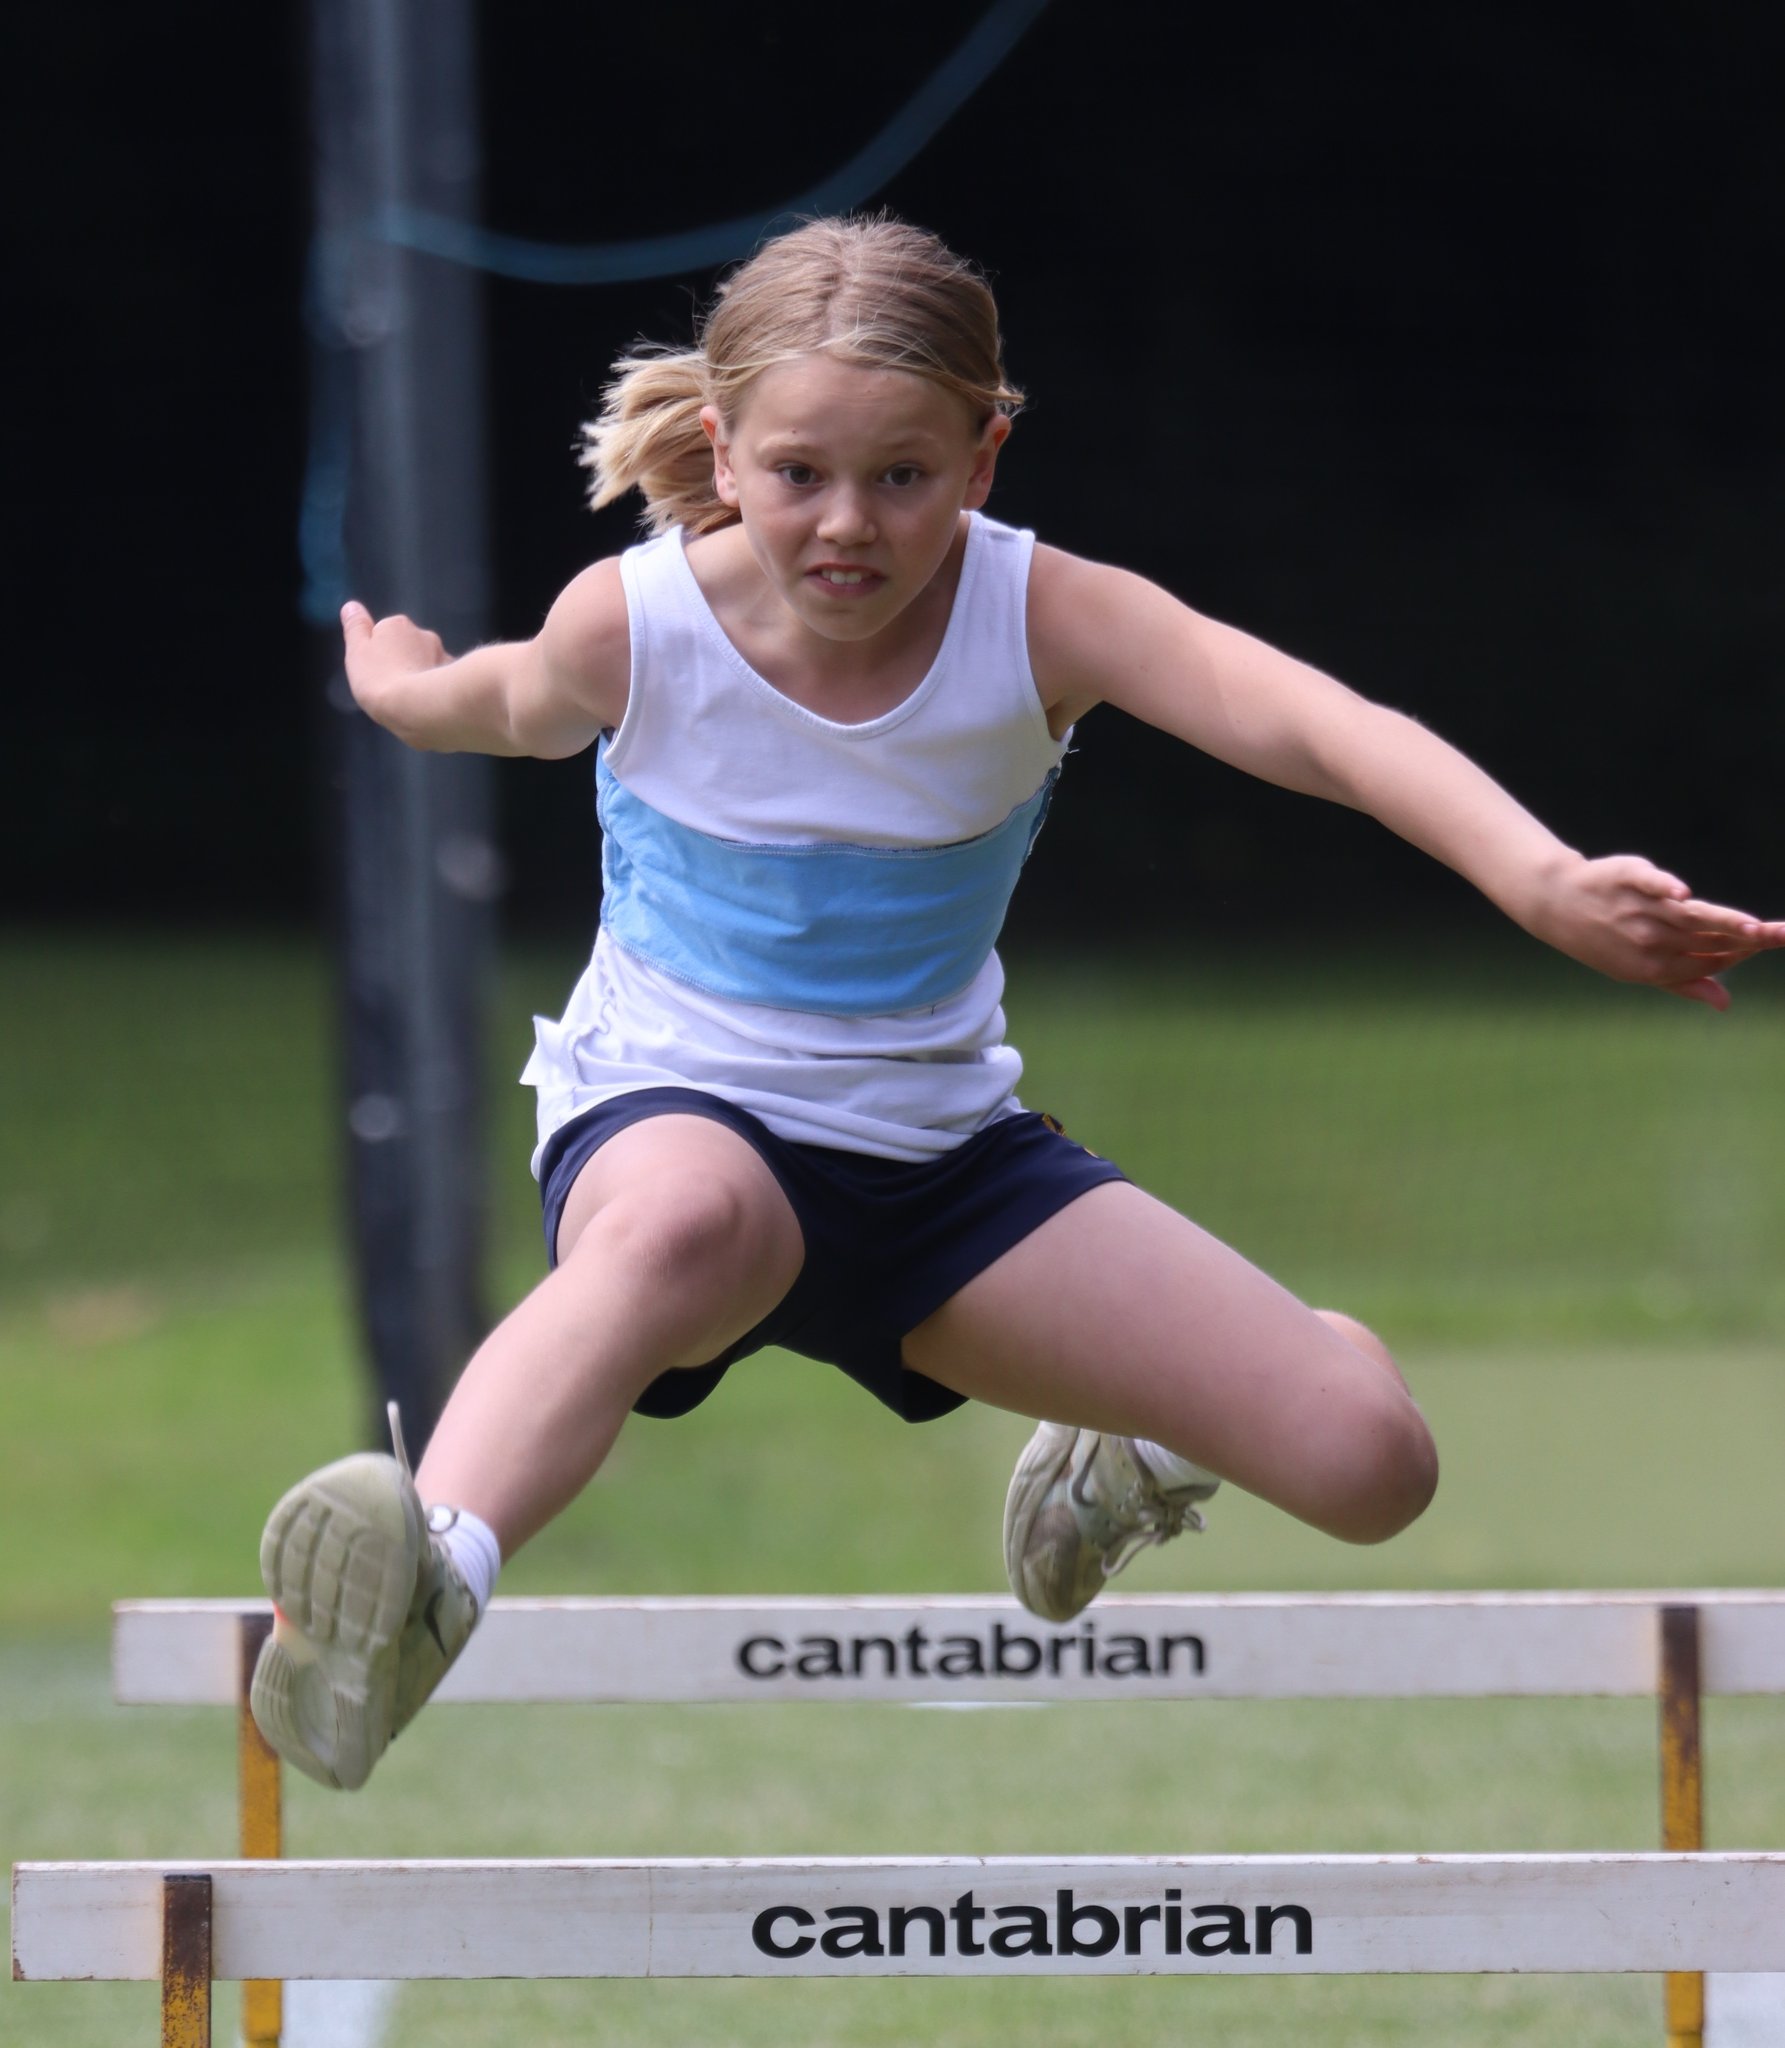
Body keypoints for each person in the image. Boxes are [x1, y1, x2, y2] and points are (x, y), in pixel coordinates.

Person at [249, 215, 1785, 1793]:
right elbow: (495, 704)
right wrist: (394, 691)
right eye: (797, 476)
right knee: (691, 1222)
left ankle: (1131, 1453)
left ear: (980, 461)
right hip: (674, 1118)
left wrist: (1537, 881)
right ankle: (428, 1582)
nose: (846, 526)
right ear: (722, 447)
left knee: (1368, 1463)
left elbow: (1318, 726)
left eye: (900, 478)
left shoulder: (1045, 617)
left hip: (936, 1163)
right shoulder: (633, 622)